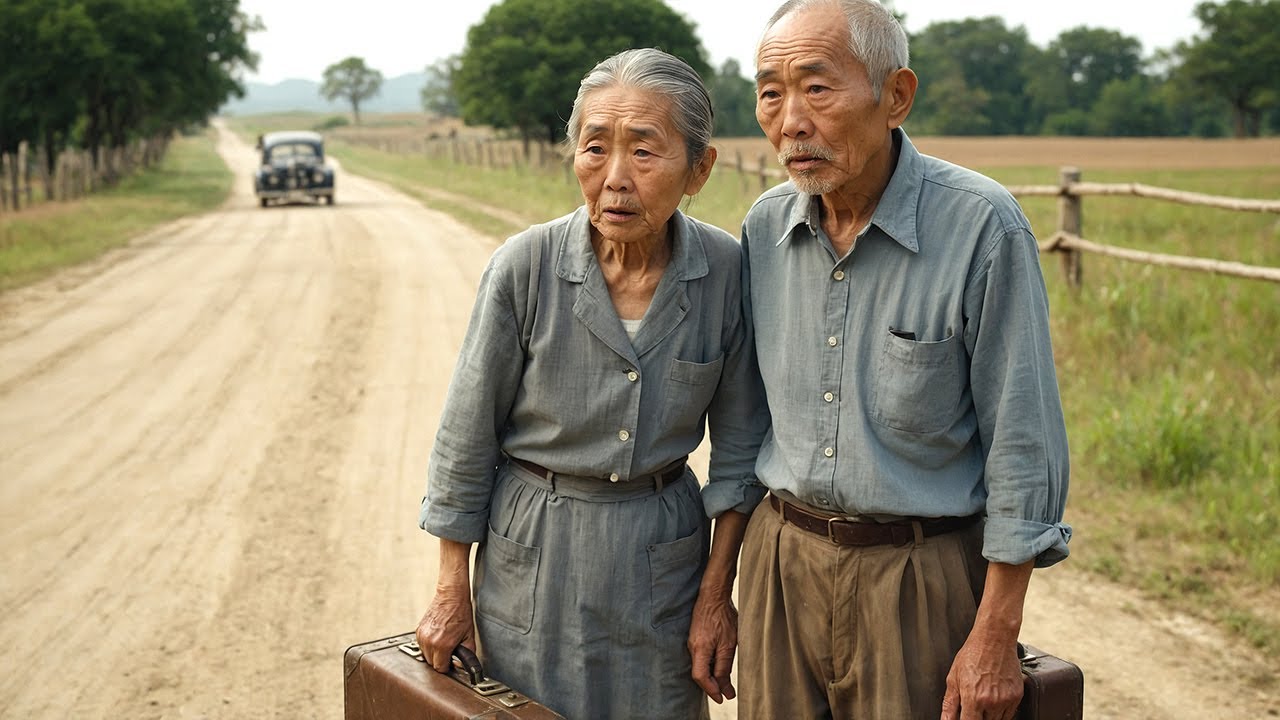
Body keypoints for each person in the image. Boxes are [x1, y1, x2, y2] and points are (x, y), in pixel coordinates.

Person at [687, 1, 1072, 718]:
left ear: (895, 96)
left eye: (817, 88)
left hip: (918, 581)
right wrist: (717, 594)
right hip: (780, 567)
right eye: (770, 93)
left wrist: (995, 634)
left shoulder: (982, 227)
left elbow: (1024, 445)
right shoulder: (765, 228)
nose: (791, 121)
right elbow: (743, 432)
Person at [415, 47, 767, 720]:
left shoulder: (725, 272)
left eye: (644, 151)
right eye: (595, 148)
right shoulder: (525, 267)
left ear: (699, 169)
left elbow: (741, 451)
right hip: (535, 549)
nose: (615, 179)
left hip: (662, 559)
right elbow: (466, 438)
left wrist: (714, 595)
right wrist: (450, 590)